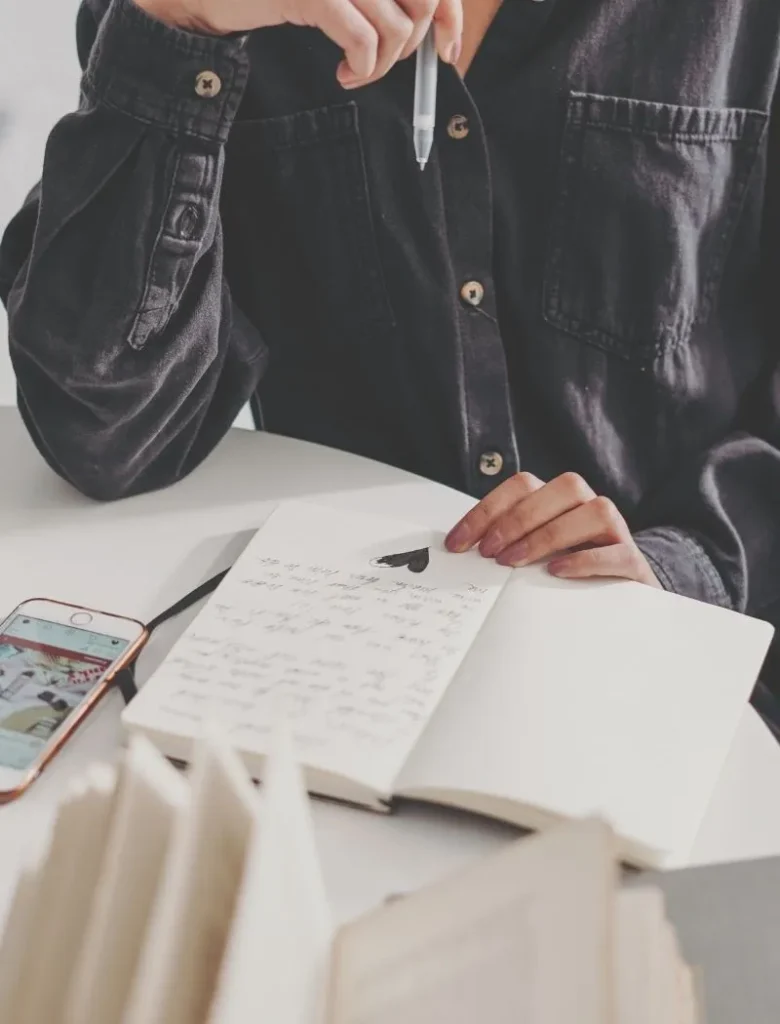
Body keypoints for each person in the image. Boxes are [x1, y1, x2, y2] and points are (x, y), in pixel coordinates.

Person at [1, 0, 779, 709]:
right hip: (336, 675)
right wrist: (183, 29)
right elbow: (104, 433)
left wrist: (682, 570)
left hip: (676, 666)